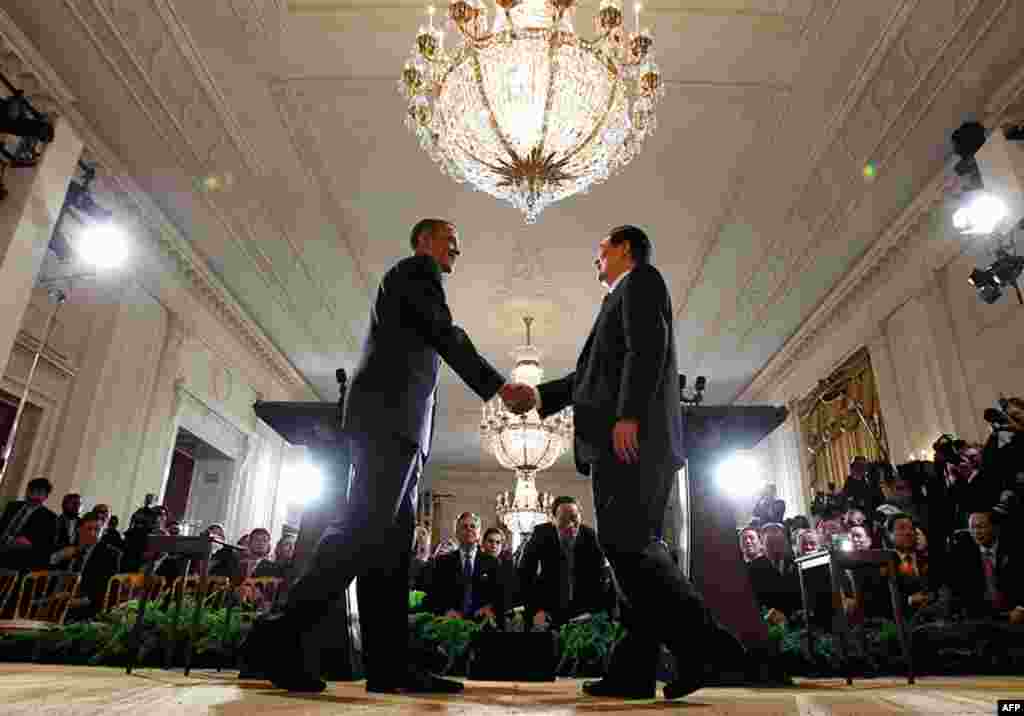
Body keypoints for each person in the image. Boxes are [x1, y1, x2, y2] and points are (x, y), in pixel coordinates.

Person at [243, 218, 532, 694]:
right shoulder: (414, 273)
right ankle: (279, 635)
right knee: (361, 528)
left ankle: (389, 665)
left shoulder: (418, 281)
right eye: (449, 238)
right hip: (388, 423)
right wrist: (499, 386)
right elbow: (446, 335)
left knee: (392, 550)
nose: (457, 248)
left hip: (401, 430)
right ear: (423, 241)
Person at [526, 225, 745, 701]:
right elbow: (588, 376)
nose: (596, 256)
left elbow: (647, 348)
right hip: (623, 442)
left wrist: (627, 414)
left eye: (600, 247)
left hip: (631, 440)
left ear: (625, 248)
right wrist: (540, 396)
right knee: (630, 551)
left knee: (627, 544)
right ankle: (635, 670)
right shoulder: (615, 300)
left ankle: (705, 641)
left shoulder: (644, 281)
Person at [517, 496, 612, 629]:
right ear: (553, 520)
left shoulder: (591, 537)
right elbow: (524, 575)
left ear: (580, 516)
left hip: (582, 611)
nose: (570, 525)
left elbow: (600, 579)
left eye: (574, 517)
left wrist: (592, 612)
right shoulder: (541, 534)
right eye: (563, 520)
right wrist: (535, 610)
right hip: (548, 609)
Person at [425, 513, 503, 623]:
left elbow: (501, 595)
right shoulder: (442, 562)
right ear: (456, 533)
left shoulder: (493, 563)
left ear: (479, 533)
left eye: (473, 526)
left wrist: (490, 608)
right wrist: (446, 610)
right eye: (464, 527)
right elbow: (433, 595)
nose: (469, 530)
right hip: (451, 624)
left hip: (483, 624)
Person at [50, 511, 122, 622]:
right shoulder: (70, 546)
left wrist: (68, 601)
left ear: (103, 532)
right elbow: (49, 569)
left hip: (87, 607)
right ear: (79, 529)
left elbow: (99, 594)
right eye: (89, 529)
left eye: (97, 530)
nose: (93, 534)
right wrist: (59, 557)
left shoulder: (110, 555)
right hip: (59, 598)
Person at [0, 477, 58, 570]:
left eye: (39, 493)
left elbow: (45, 546)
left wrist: (30, 544)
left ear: (46, 497)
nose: (34, 495)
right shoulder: (12, 506)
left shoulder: (50, 517)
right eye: (32, 491)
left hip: (19, 559)